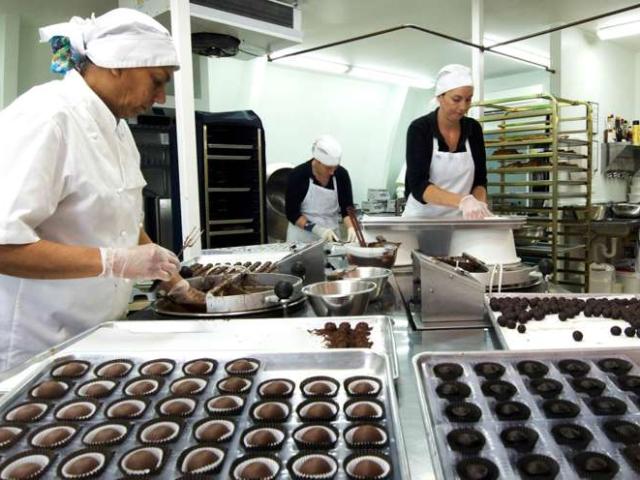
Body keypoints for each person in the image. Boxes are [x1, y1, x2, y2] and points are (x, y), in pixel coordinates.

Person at [0, 8, 191, 370]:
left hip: (97, 338)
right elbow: (4, 245)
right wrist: (113, 262)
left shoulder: (119, 131)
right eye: (157, 80)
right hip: (36, 348)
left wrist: (174, 283)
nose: (161, 97)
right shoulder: (46, 118)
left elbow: (121, 221)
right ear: (118, 64)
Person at [403, 64, 491, 219]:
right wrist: (463, 201)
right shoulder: (420, 129)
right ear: (440, 97)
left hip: (459, 219)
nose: (463, 107)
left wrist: (479, 204)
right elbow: (418, 185)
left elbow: (480, 180)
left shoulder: (473, 129)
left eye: (468, 99)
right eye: (456, 99)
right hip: (421, 219)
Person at [285, 135, 358, 243]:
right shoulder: (298, 175)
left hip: (331, 237)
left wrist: (352, 227)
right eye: (328, 168)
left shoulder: (341, 175)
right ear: (317, 161)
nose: (332, 172)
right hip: (301, 238)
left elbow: (347, 208)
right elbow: (292, 214)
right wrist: (318, 230)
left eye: (335, 167)